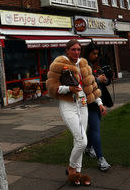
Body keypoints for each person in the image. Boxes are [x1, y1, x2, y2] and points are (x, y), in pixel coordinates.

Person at [46, 39, 102, 186]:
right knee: (82, 141)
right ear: (67, 50)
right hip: (68, 105)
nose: (76, 52)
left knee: (78, 140)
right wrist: (68, 89)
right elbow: (51, 88)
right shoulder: (59, 63)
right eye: (73, 50)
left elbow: (92, 86)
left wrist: (99, 102)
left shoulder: (83, 63)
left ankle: (77, 174)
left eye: (78, 49)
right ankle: (71, 167)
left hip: (83, 105)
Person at [83, 42, 112, 171]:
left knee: (94, 127)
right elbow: (84, 82)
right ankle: (101, 159)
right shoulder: (83, 65)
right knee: (95, 129)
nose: (96, 56)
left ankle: (89, 148)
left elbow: (106, 80)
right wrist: (98, 79)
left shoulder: (97, 63)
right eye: (93, 53)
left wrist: (106, 80)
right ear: (87, 53)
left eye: (97, 53)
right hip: (90, 101)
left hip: (99, 99)